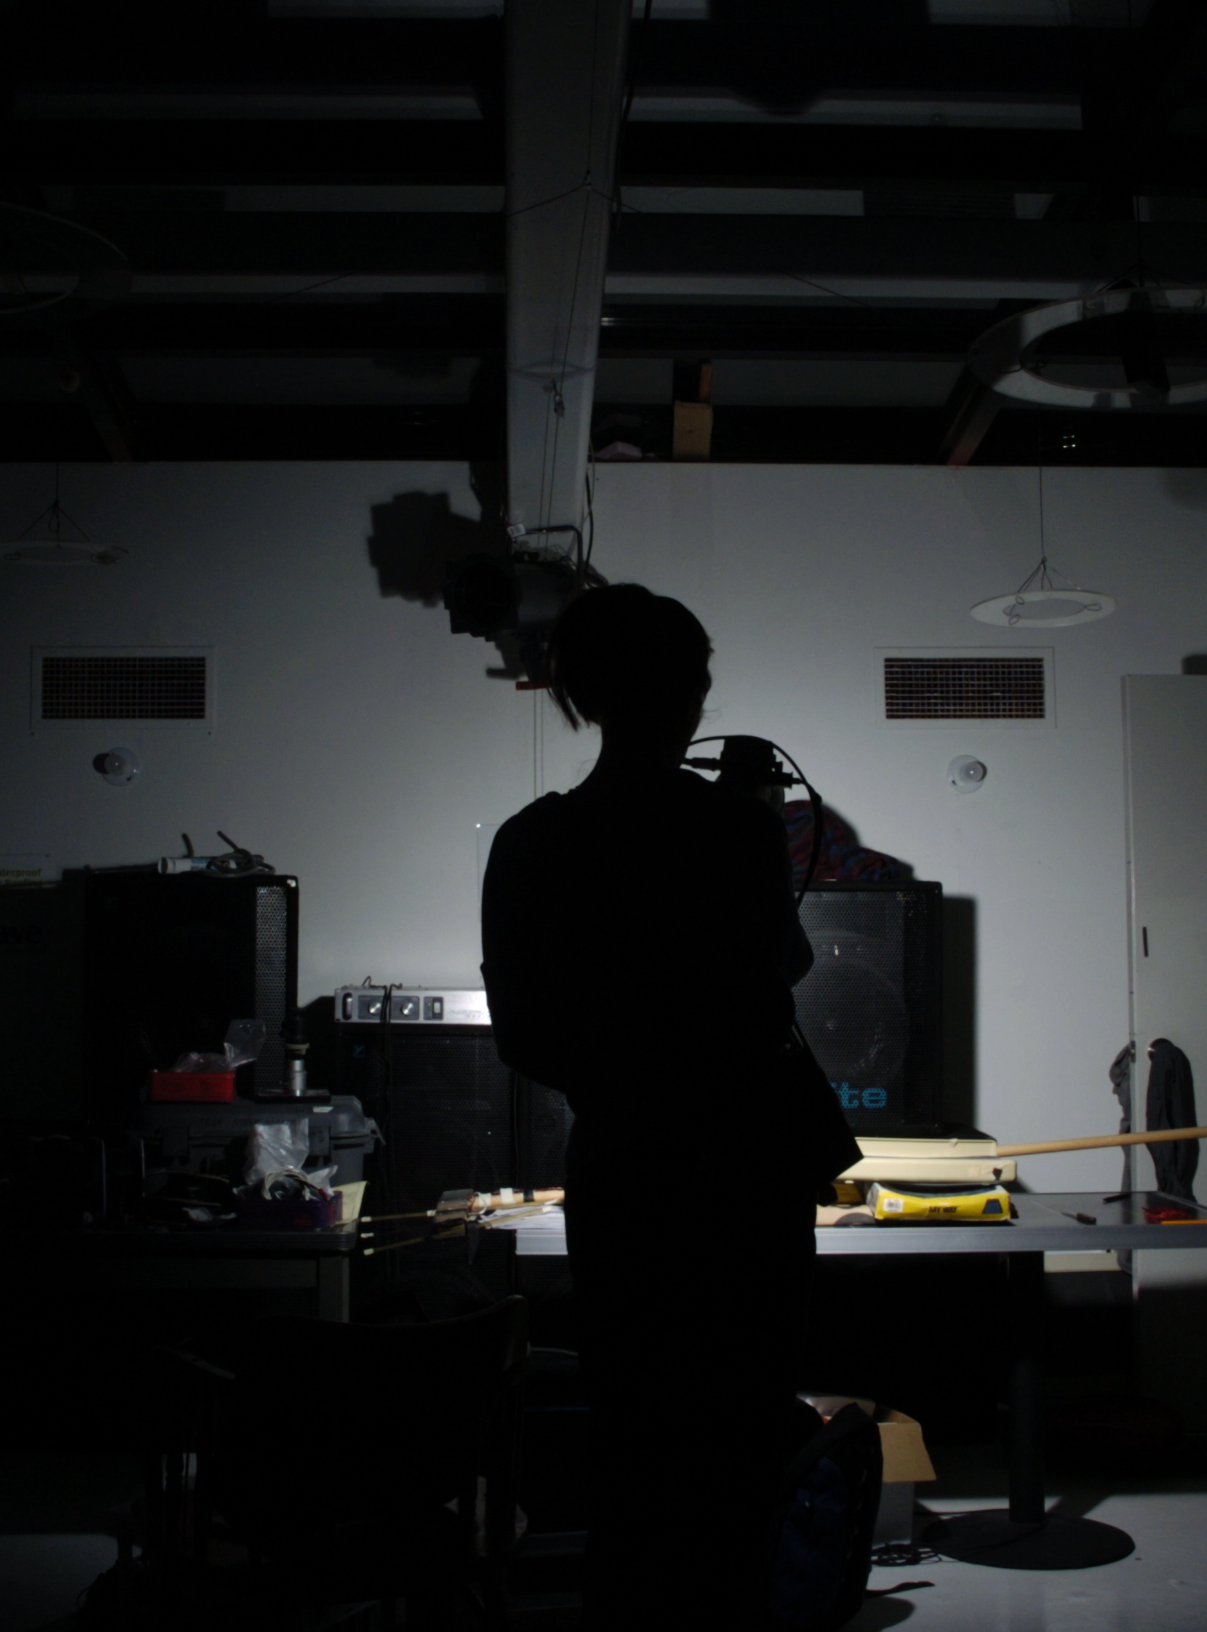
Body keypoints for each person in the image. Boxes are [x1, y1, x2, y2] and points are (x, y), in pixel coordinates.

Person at [480, 584, 860, 1628]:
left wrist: (624, 1076)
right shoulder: (733, 829)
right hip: (746, 1180)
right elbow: (778, 971)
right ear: (689, 693)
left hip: (625, 1178)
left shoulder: (532, 841)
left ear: (580, 694)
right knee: (740, 1449)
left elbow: (523, 1035)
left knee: (633, 1445)